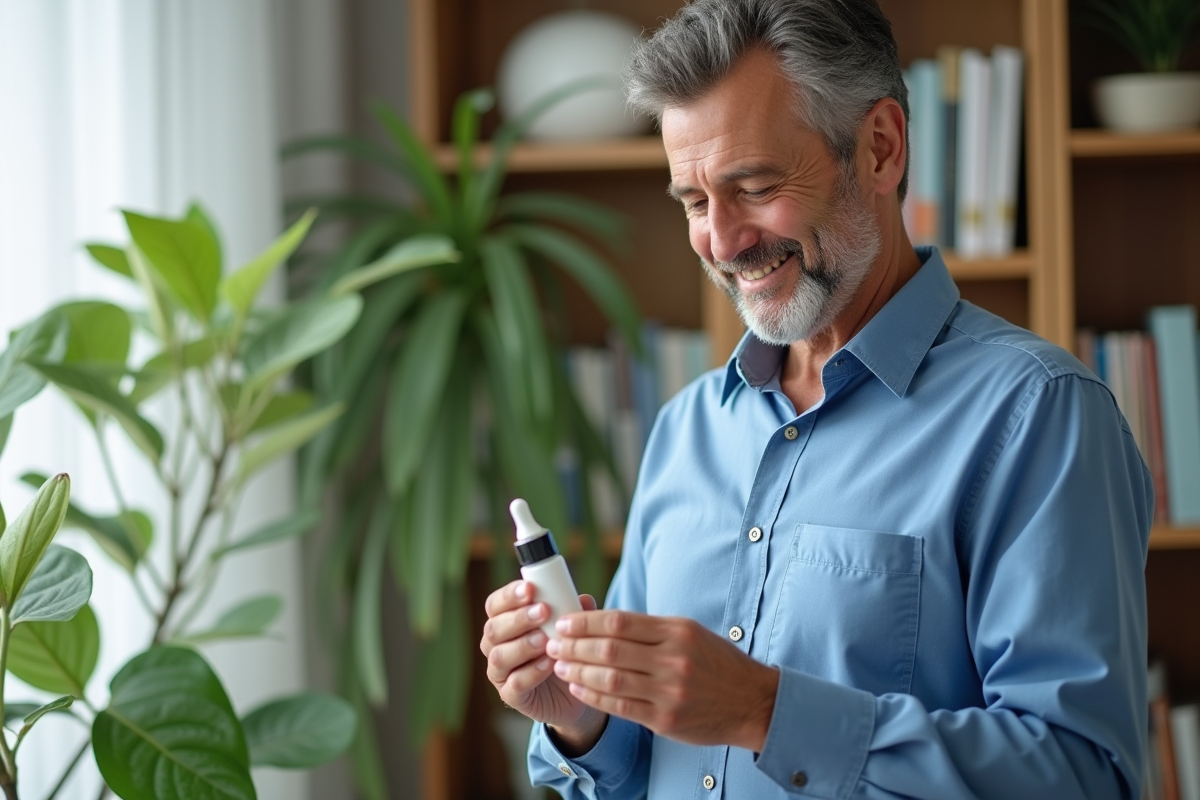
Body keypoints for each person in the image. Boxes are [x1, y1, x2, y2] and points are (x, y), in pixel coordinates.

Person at [479, 1, 1153, 797]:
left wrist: (766, 711)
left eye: (756, 186)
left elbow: (1085, 776)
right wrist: (583, 721)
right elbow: (645, 767)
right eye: (695, 203)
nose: (722, 243)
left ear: (880, 148)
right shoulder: (688, 426)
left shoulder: (1039, 416)